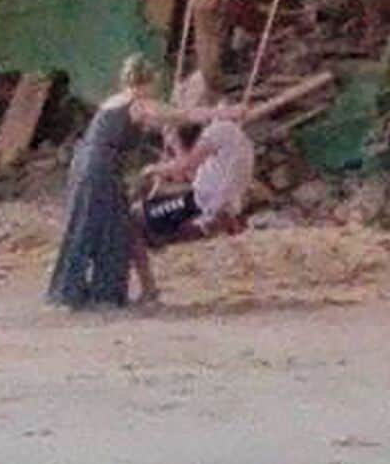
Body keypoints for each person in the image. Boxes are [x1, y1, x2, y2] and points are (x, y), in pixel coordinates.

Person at [47, 55, 227, 310]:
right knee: (97, 225)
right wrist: (223, 113)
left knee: (110, 226)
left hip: (90, 165)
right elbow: (182, 115)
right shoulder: (138, 104)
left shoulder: (117, 101)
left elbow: (165, 125)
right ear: (148, 81)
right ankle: (83, 293)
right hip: (99, 168)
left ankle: (98, 292)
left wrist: (177, 152)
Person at [141, 70, 259, 248]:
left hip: (205, 203)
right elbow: (190, 172)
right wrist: (175, 144)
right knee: (154, 208)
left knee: (142, 217)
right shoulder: (238, 137)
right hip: (211, 199)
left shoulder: (219, 131)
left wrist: (154, 169)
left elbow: (185, 165)